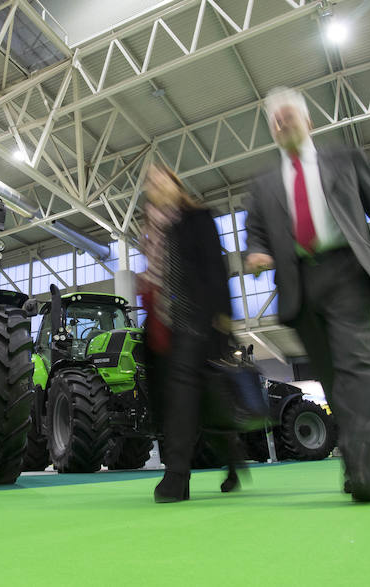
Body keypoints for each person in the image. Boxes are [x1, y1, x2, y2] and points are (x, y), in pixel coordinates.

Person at [244, 87, 370, 502]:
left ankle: (362, 463)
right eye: (275, 120)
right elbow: (255, 228)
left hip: (346, 272)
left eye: (289, 115)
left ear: (308, 122)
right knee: (330, 377)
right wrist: (257, 251)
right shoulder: (264, 182)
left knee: (356, 367)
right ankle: (360, 454)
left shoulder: (344, 159)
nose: (282, 123)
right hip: (300, 286)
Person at [141, 163, 234, 503]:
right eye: (149, 180)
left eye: (160, 176)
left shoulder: (197, 219)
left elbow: (216, 268)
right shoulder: (152, 230)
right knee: (189, 402)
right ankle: (233, 459)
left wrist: (224, 317)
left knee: (183, 399)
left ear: (177, 185)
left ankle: (177, 476)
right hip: (160, 328)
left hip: (193, 322)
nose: (154, 183)